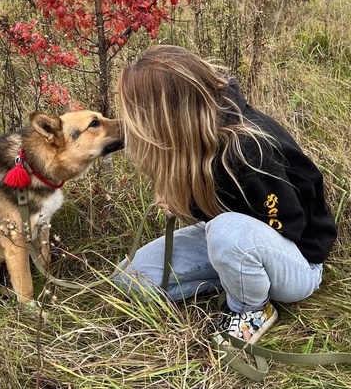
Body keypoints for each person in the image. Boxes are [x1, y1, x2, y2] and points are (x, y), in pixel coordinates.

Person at [113, 44, 337, 345]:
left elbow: (289, 225)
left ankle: (252, 309)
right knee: (132, 278)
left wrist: (201, 213)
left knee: (226, 231)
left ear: (167, 114)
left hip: (298, 260)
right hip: (232, 241)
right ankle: (237, 276)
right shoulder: (194, 142)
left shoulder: (248, 149)